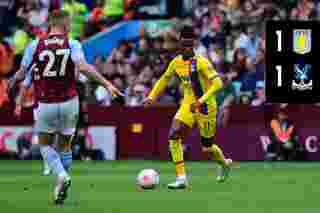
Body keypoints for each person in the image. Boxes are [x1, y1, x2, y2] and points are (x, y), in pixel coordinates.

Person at [12, 10, 122, 205]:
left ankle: (61, 176)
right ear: (63, 24)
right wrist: (107, 84)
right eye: (70, 23)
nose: (71, 26)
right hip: (70, 102)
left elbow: (21, 74)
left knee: (45, 144)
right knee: (64, 146)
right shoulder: (72, 43)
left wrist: (13, 89)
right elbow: (85, 67)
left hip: (45, 104)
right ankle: (60, 182)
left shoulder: (35, 45)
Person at [143, 25, 233, 189]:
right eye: (183, 45)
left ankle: (224, 163)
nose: (186, 48)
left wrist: (201, 100)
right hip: (188, 105)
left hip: (206, 107)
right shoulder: (176, 62)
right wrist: (151, 96)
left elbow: (218, 83)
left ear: (194, 44)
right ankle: (181, 178)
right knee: (173, 135)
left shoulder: (202, 62)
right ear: (179, 44)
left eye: (189, 45)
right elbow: (164, 79)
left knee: (207, 148)